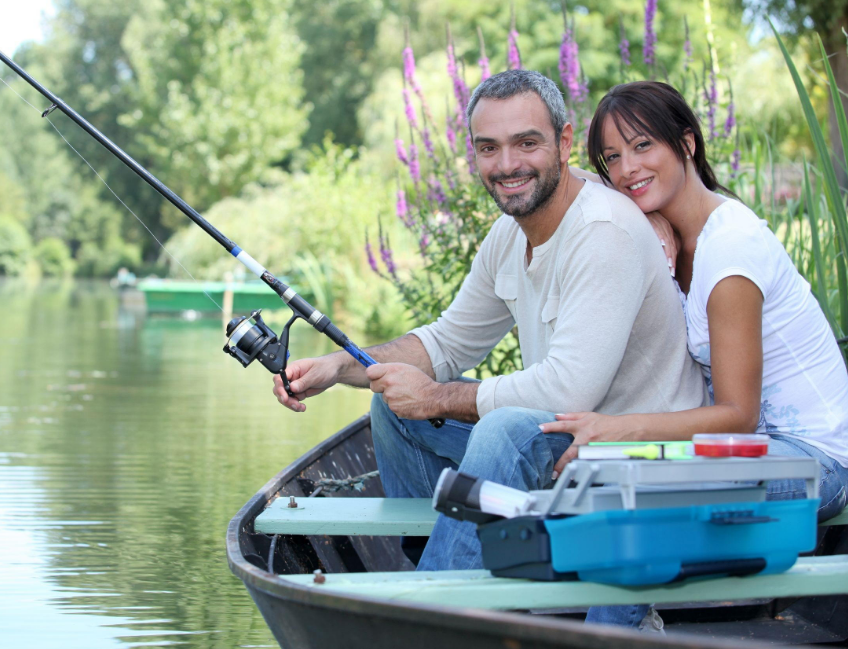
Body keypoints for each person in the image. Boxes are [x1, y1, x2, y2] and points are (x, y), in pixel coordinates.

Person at [272, 70, 705, 629]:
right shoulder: (510, 235)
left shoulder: (604, 231)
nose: (507, 165)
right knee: (393, 406)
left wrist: (436, 397)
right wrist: (339, 367)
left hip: (637, 464)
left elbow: (568, 391)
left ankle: (428, 619)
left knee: (505, 429)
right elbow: (446, 341)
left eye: (527, 143)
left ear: (565, 143)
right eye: (488, 148)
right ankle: (464, 583)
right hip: (567, 455)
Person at [537, 80, 848, 628]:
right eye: (611, 158)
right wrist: (654, 218)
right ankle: (622, 623)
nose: (626, 169)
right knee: (608, 479)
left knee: (645, 496)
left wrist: (614, 430)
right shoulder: (678, 238)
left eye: (642, 147)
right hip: (751, 452)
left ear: (686, 143)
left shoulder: (730, 250)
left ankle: (613, 631)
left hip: (815, 461)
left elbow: (737, 415)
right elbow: (585, 184)